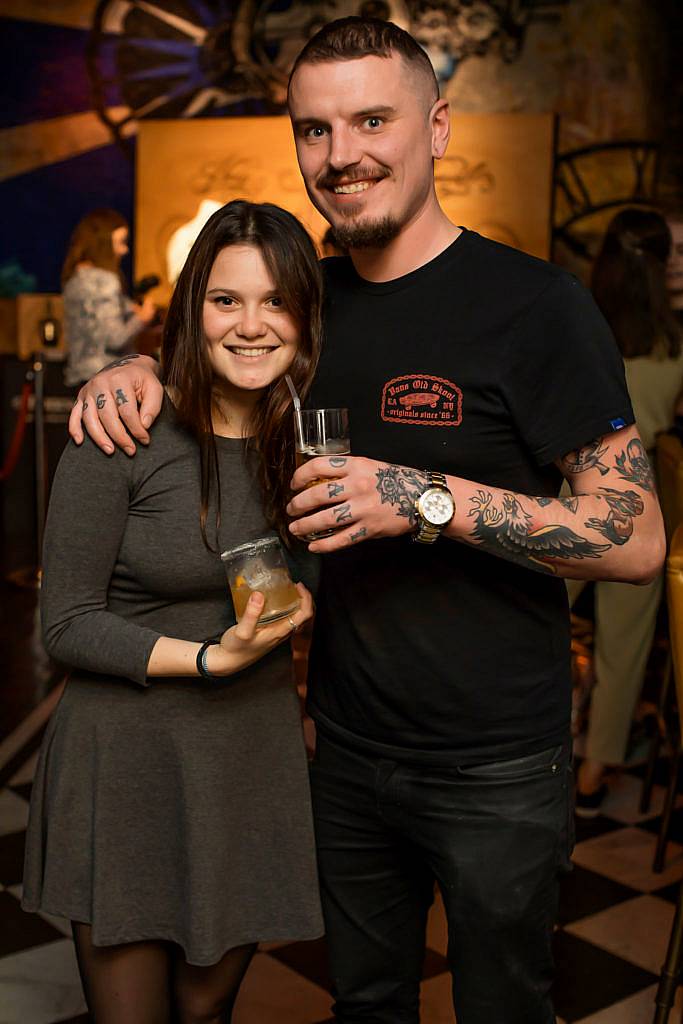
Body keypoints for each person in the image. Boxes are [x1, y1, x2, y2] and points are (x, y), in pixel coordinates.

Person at [68, 18, 666, 1024]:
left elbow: (636, 536)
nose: (341, 155)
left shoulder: (533, 306)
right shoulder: (305, 304)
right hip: (343, 749)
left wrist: (422, 500)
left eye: (371, 120)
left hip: (494, 762)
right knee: (366, 1003)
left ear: (436, 126)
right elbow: (218, 365)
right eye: (314, 129)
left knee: (502, 1007)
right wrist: (138, 366)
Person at [23, 200, 324, 1023]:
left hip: (248, 760)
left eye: (275, 302)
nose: (252, 325)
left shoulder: (308, 443)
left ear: (304, 316)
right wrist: (205, 659)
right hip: (128, 762)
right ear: (192, 310)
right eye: (226, 300)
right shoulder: (123, 427)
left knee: (208, 1014)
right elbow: (67, 621)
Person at [571, 208, 683, 814]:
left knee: (532, 617)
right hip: (641, 508)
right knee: (625, 645)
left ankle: (545, 740)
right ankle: (595, 770)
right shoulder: (675, 342)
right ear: (663, 264)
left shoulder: (578, 323)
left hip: (566, 496)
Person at [61, 208, 157, 387]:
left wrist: (128, 307)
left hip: (80, 378)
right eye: (120, 242)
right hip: (109, 379)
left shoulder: (74, 278)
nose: (124, 250)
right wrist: (142, 318)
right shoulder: (106, 281)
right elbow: (115, 338)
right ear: (103, 244)